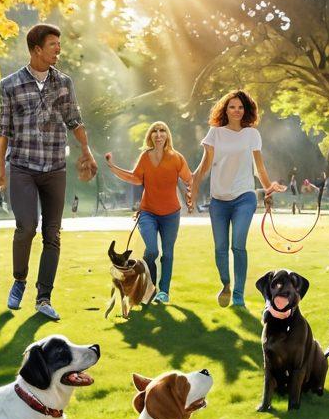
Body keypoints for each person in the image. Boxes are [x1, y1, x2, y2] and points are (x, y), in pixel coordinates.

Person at [0, 23, 97, 321]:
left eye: (58, 44)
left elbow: (74, 120)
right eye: (53, 44)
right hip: (23, 166)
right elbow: (4, 129)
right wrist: (0, 167)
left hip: (55, 166)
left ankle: (44, 297)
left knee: (52, 233)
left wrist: (86, 151)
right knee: (26, 226)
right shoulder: (10, 84)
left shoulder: (64, 83)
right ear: (36, 49)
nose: (58, 49)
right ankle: (19, 281)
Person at [189, 90, 285, 308]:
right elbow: (204, 165)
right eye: (232, 106)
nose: (236, 111)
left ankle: (239, 295)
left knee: (238, 246)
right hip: (219, 199)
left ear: (246, 110)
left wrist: (268, 188)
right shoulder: (215, 133)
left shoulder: (252, 135)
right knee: (220, 249)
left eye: (241, 107)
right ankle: (226, 284)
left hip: (244, 196)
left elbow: (259, 167)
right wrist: (193, 188)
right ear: (225, 109)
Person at [105, 121, 192, 305]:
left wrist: (191, 193)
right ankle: (149, 286)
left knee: (167, 254)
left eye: (162, 131)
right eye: (155, 131)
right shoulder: (145, 157)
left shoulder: (176, 158)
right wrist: (113, 167)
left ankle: (164, 292)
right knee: (151, 250)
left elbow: (189, 179)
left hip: (171, 214)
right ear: (150, 136)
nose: (158, 134)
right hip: (148, 213)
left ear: (167, 135)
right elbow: (135, 178)